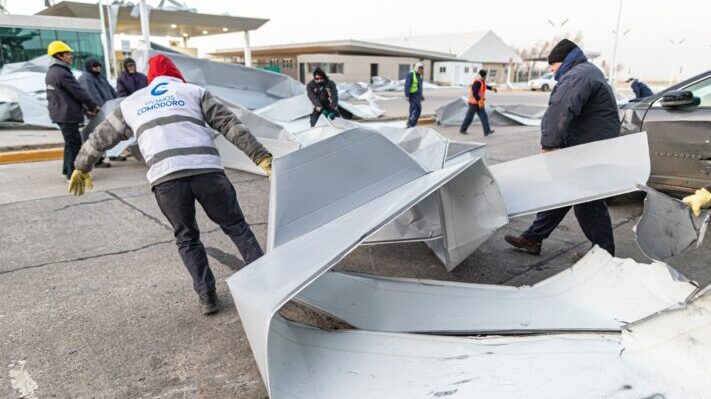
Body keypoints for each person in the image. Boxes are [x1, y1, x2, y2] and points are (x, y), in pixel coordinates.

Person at [68, 54, 274, 315]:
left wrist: (81, 166)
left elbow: (100, 138)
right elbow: (230, 125)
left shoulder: (132, 102)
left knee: (187, 237)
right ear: (176, 74)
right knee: (236, 226)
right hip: (207, 171)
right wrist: (261, 156)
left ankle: (207, 296)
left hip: (166, 179)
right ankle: (267, 285)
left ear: (150, 78)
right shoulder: (193, 92)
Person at [504, 39, 620, 256]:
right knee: (560, 192)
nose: (551, 69)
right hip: (588, 147)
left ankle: (604, 254)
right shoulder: (587, 72)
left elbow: (559, 110)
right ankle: (533, 238)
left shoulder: (577, 76)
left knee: (588, 204)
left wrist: (549, 145)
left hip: (589, 150)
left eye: (552, 65)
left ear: (564, 61)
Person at [45, 40, 100, 181]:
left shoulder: (53, 72)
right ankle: (73, 174)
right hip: (66, 115)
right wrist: (93, 106)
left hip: (61, 113)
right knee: (74, 144)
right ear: (59, 56)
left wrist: (85, 110)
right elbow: (78, 92)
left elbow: (67, 97)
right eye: (68, 54)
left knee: (69, 143)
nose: (71, 56)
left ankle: (66, 170)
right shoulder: (62, 73)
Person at [78, 58, 117, 168]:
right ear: (89, 67)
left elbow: (111, 91)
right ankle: (96, 160)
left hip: (106, 111)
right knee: (96, 137)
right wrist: (99, 109)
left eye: (99, 66)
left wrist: (117, 103)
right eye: (95, 67)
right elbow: (92, 95)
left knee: (106, 135)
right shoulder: (86, 78)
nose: (97, 68)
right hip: (96, 113)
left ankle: (109, 155)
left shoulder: (100, 77)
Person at [459, 69, 498, 136]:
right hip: (474, 103)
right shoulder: (477, 82)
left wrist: (492, 88)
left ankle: (487, 131)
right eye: (486, 75)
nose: (486, 77)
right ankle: (463, 129)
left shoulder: (482, 81)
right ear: (483, 76)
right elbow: (475, 92)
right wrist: (479, 100)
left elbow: (485, 86)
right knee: (469, 117)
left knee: (484, 117)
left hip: (479, 103)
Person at [405, 62, 425, 127]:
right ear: (416, 68)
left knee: (417, 109)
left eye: (422, 68)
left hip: (418, 95)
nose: (421, 70)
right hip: (413, 95)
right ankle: (411, 123)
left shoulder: (419, 76)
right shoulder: (411, 74)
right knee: (416, 109)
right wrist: (407, 95)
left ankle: (412, 123)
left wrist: (421, 95)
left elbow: (420, 86)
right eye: (419, 68)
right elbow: (407, 84)